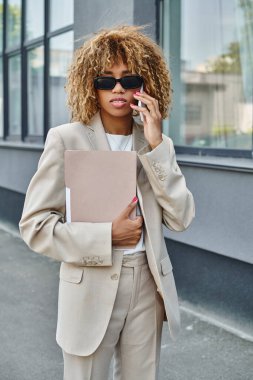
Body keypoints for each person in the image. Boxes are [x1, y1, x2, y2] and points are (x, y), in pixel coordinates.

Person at [19, 25, 195, 380]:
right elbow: (35, 227)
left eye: (129, 80)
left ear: (145, 86)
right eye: (105, 80)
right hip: (90, 285)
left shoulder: (157, 144)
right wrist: (107, 236)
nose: (117, 89)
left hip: (147, 284)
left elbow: (181, 218)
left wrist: (157, 145)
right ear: (90, 85)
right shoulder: (66, 139)